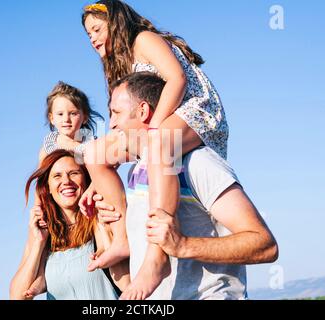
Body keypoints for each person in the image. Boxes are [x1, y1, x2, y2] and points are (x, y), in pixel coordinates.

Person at [80, 0, 229, 298]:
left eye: (97, 29)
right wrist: (95, 183)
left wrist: (155, 128)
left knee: (162, 142)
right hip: (153, 125)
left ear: (116, 23)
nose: (93, 38)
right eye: (88, 34)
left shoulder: (143, 40)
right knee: (93, 154)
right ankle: (123, 238)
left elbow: (178, 78)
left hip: (194, 112)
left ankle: (157, 258)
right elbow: (120, 117)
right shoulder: (116, 65)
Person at [93, 71, 278, 299]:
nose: (111, 124)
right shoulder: (134, 173)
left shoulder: (197, 162)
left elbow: (264, 244)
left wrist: (184, 245)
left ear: (142, 111)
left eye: (116, 113)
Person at [9, 150, 129, 300]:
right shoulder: (45, 235)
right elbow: (17, 296)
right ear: (48, 188)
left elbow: (126, 284)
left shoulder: (102, 218)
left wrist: (105, 231)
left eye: (74, 173)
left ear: (86, 181)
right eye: (57, 176)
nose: (66, 181)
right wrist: (39, 243)